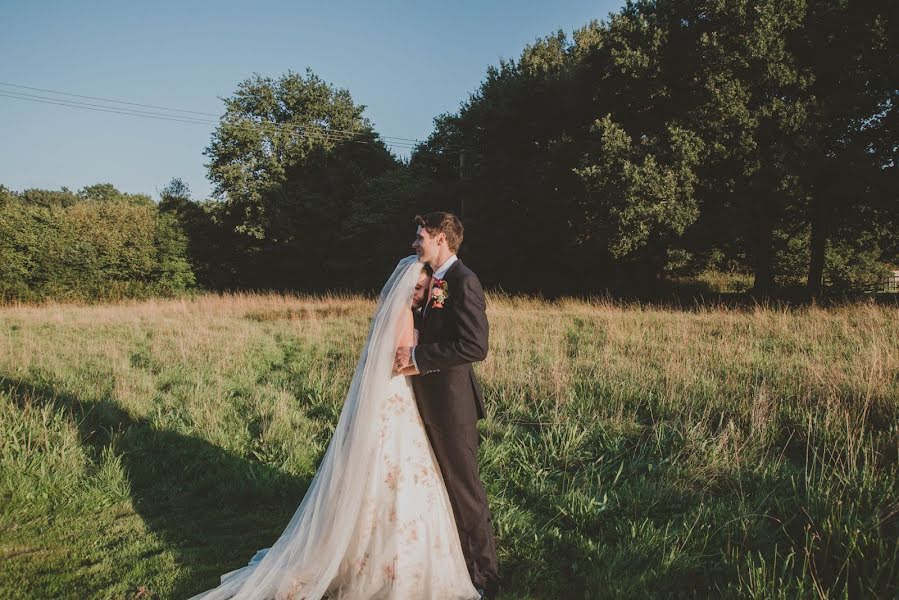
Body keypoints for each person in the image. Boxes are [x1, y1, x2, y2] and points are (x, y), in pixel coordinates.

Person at [187, 254, 480, 600]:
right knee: (397, 473)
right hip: (396, 400)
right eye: (415, 288)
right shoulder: (403, 313)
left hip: (389, 401)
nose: (418, 294)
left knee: (381, 474)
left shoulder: (392, 311)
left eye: (422, 288)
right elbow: (401, 361)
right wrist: (423, 354)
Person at [394, 212, 499, 598]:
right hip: (427, 402)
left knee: (463, 489)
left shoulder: (463, 281)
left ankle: (484, 576)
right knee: (440, 487)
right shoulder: (433, 281)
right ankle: (449, 561)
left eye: (420, 235)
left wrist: (418, 357)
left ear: (440, 238)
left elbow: (475, 346)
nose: (415, 241)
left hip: (453, 408)